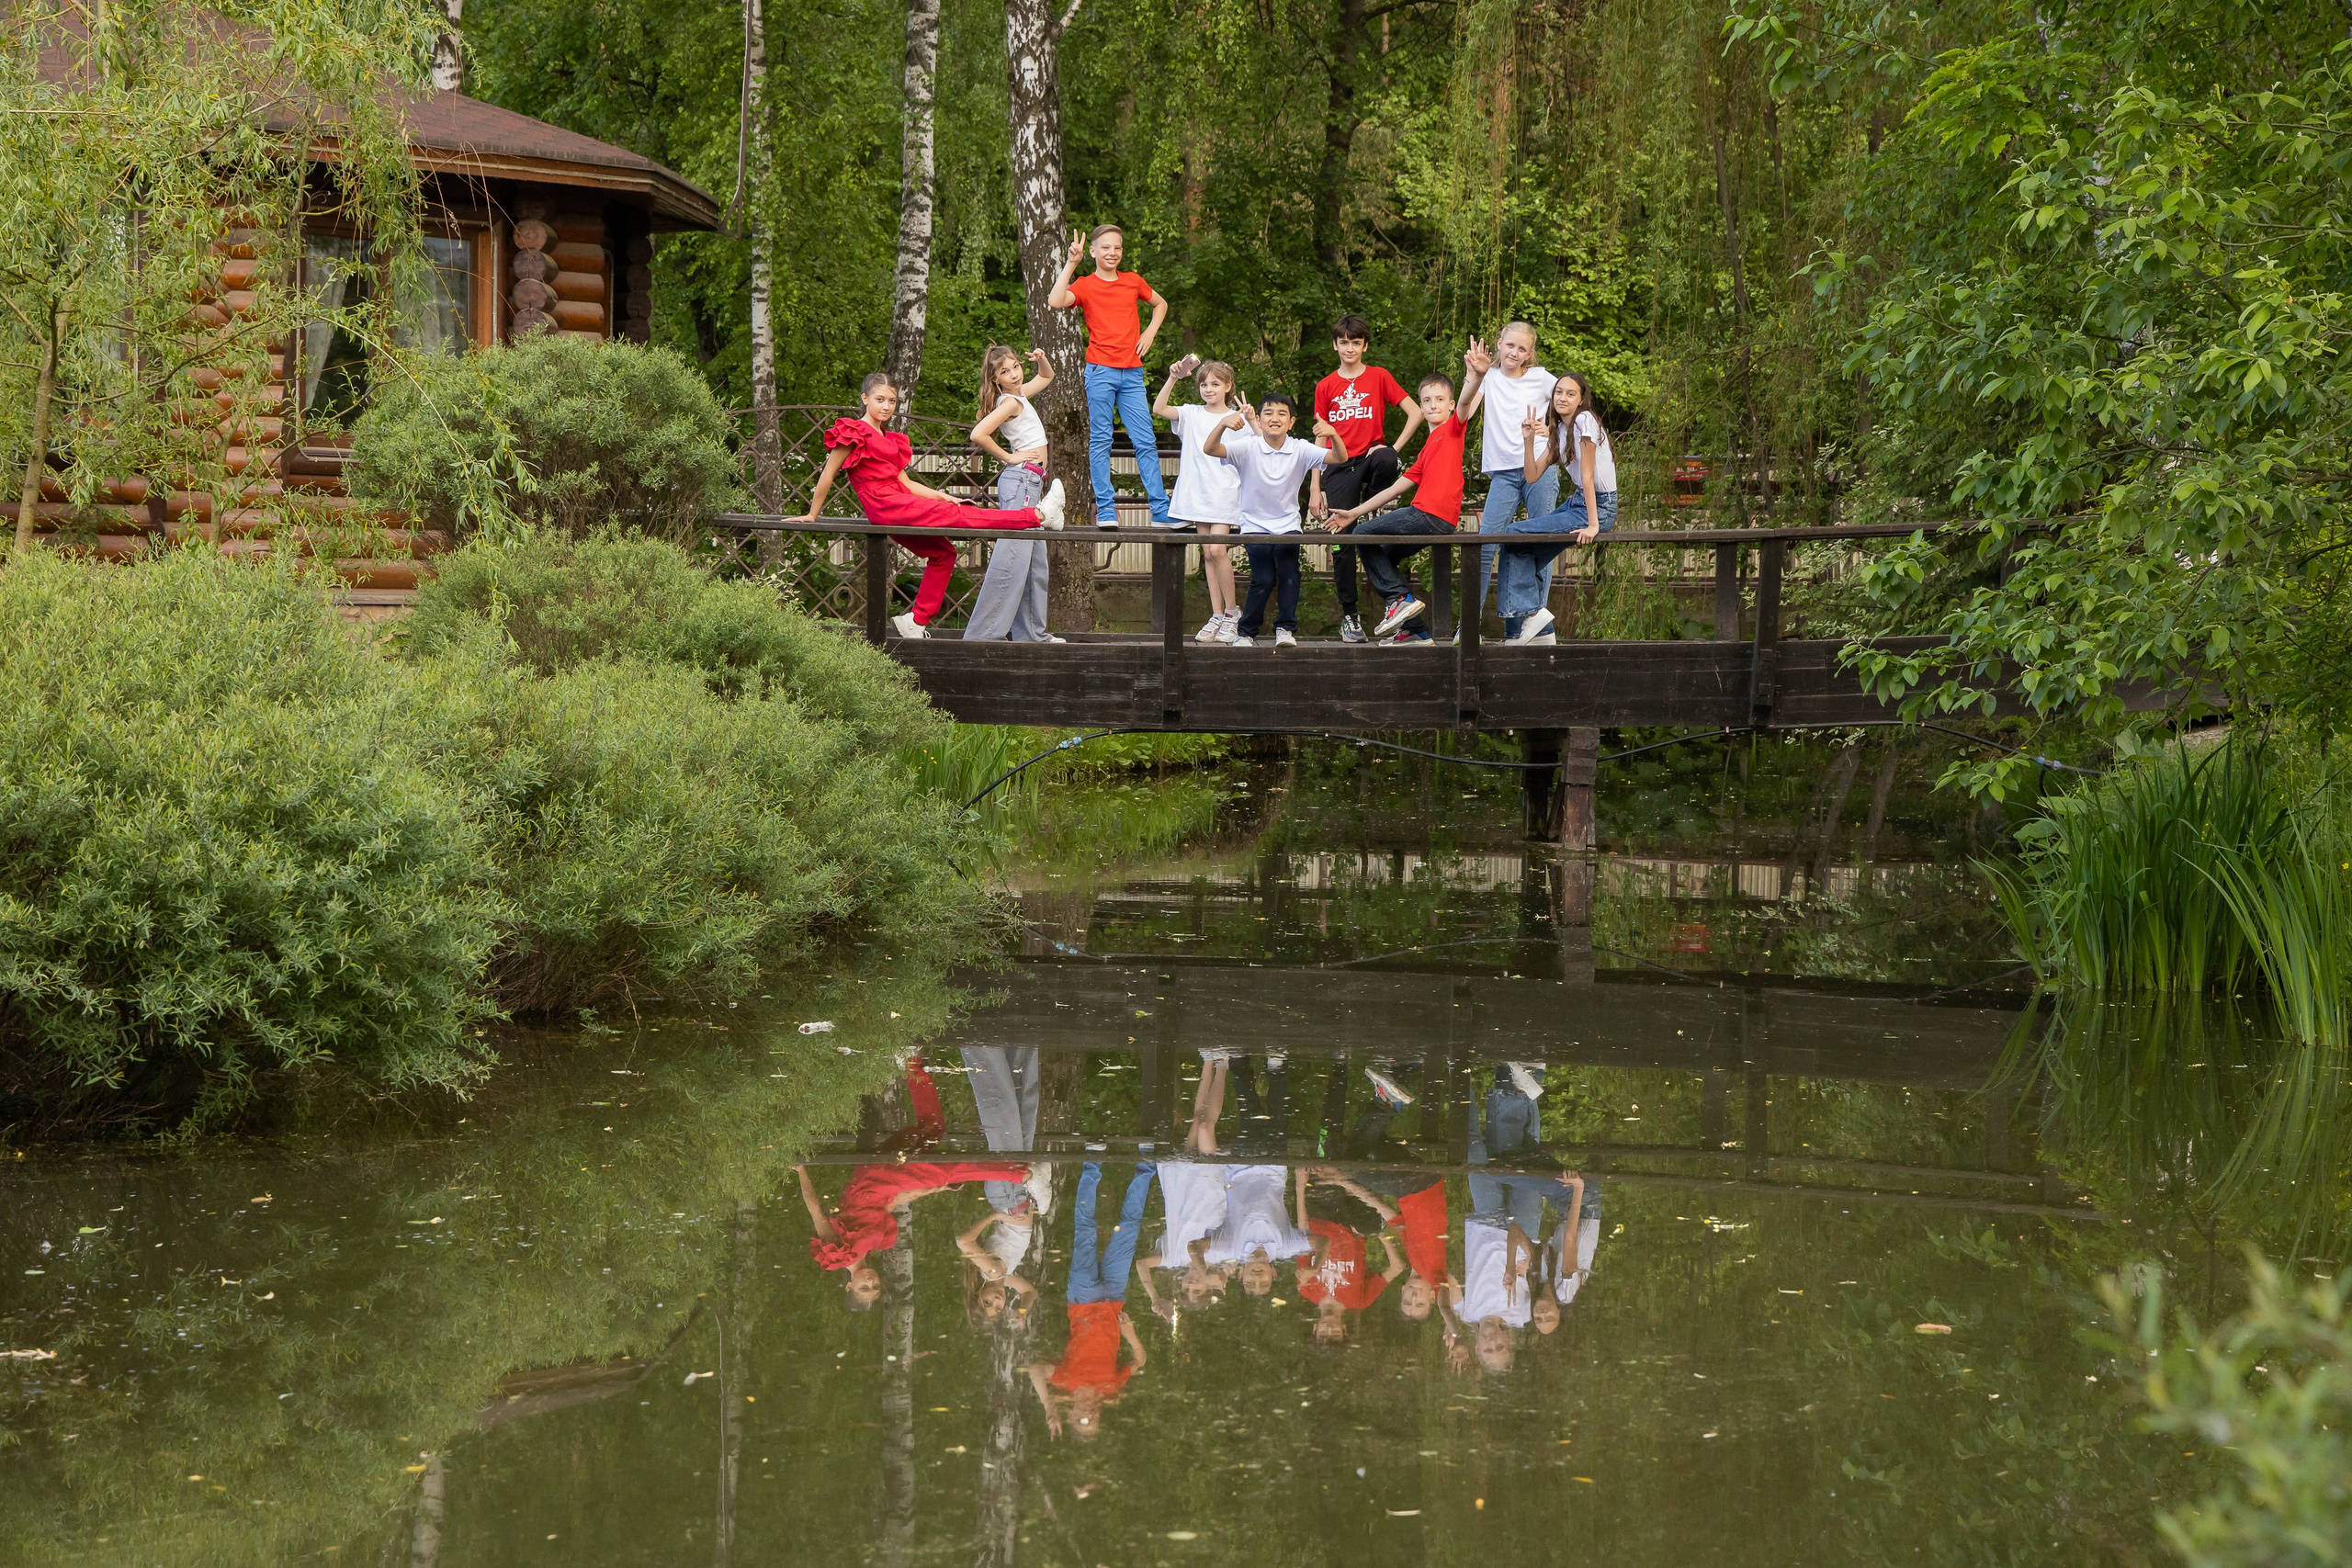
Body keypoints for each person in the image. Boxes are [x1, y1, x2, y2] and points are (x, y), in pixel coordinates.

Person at [797, 372, 1066, 640]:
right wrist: (812, 514)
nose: (886, 406)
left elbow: (905, 481)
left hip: (898, 503)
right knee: (963, 517)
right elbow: (828, 473)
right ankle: (1038, 515)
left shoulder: (889, 439)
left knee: (944, 553)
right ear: (865, 398)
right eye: (879, 399)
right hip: (884, 505)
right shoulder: (854, 432)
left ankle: (916, 620)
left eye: (892, 401)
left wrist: (941, 496)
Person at [792, 1061, 1029, 1309]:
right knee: (933, 1131)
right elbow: (894, 1202)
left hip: (870, 1184)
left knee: (946, 1172)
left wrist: (801, 1170)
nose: (872, 1281)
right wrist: (936, 1189)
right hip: (885, 1188)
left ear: (849, 1285)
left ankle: (1015, 1172)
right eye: (876, 1286)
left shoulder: (836, 1254)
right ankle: (913, 1063)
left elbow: (815, 1210)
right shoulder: (876, 1244)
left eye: (865, 1287)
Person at [1326, 371, 1470, 645]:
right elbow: (1393, 489)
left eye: (1440, 399)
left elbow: (1467, 402)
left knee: (1362, 536)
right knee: (1384, 557)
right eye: (1427, 400)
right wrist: (1353, 513)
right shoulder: (1428, 448)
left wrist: (1476, 374)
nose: (1434, 405)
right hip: (1429, 517)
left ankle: (1400, 599)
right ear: (1421, 405)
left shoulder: (1453, 430)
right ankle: (1415, 630)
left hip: (1430, 515)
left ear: (1451, 405)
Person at [1048, 224, 1171, 528]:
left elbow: (1161, 304)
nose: (1112, 253)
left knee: (1145, 440)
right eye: (1105, 248)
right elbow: (1054, 300)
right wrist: (1070, 265)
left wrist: (1150, 331)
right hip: (1100, 371)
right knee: (1101, 440)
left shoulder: (1132, 282)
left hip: (1132, 373)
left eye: (1117, 247)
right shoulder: (1086, 285)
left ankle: (1160, 510)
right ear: (1093, 251)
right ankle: (1106, 510)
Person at [1307, 315, 1422, 644]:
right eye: (1344, 342)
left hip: (1373, 459)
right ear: (1335, 345)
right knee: (1342, 540)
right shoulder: (1326, 386)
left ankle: (1371, 504)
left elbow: (1415, 412)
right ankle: (1350, 616)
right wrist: (1315, 486)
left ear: (1364, 346)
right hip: (1339, 464)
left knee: (1385, 457)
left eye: (1356, 343)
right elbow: (1319, 438)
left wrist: (1395, 448)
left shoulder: (1379, 376)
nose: (1349, 348)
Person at [1204, 392, 1344, 650]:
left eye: (1281, 414)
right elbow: (1210, 449)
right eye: (1268, 413)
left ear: (1291, 422)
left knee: (1290, 574)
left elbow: (1339, 458)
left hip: (1288, 524)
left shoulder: (1300, 447)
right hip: (1254, 525)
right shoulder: (1248, 446)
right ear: (1258, 419)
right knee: (1263, 578)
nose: (1275, 418)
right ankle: (1246, 633)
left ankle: (1286, 629)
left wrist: (1333, 434)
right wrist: (1223, 423)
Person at [1028, 1161, 1154, 1441]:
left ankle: (1092, 1165)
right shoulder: (1111, 1387)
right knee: (1129, 1230)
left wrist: (1049, 1405)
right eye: (1093, 1419)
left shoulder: (1065, 1381)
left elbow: (1035, 1368)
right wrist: (1131, 1336)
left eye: (1081, 1419)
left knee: (1086, 1230)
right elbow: (1140, 1360)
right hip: (1114, 1297)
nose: (1088, 1413)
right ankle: (1146, 1166)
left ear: (1070, 1413)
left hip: (1082, 1298)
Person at [1497, 371, 1618, 644]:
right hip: (1578, 502)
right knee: (1522, 551)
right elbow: (1532, 475)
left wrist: (1594, 524)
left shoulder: (1585, 420)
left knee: (1513, 535)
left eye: (1570, 393)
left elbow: (1587, 476)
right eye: (1559, 392)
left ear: (1581, 400)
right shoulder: (1560, 430)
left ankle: (1531, 615)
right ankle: (1535, 633)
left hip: (1598, 506)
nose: (1562, 397)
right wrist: (1528, 440)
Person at [1458, 324, 1558, 635]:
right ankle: (1469, 625)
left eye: (1522, 349)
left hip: (1539, 467)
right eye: (1510, 345)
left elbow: (1574, 406)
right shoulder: (1487, 377)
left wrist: (1552, 431)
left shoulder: (1541, 378)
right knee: (1486, 545)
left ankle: (1532, 626)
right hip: (1503, 473)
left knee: (1539, 545)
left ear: (1530, 353)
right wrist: (1474, 376)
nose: (1515, 353)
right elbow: (1462, 413)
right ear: (1499, 344)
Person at [965, 345, 1065, 643]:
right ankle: (981, 639)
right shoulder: (1009, 402)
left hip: (1031, 484)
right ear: (996, 380)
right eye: (1005, 372)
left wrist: (1042, 359)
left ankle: (1033, 635)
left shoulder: (1019, 394)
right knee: (1011, 560)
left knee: (1035, 565)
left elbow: (1047, 377)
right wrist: (1009, 457)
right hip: (1021, 482)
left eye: (1016, 367)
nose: (1013, 374)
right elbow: (978, 434)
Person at [1154, 355, 1250, 644]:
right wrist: (1173, 377)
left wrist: (1251, 418)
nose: (1209, 389)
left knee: (1218, 551)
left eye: (1215, 384)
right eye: (1204, 384)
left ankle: (1233, 613)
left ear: (1228, 386)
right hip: (1197, 492)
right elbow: (1159, 408)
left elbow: (1255, 450)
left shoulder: (1238, 417)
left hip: (1223, 491)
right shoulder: (1192, 413)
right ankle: (1217, 614)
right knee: (1207, 554)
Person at [1135, 1048, 1236, 1319]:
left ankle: (1207, 1061)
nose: (1191, 1285)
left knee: (1196, 1121)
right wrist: (1214, 1274)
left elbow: (1141, 1265)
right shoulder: (1217, 1261)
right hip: (1207, 1183)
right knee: (1205, 1126)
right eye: (1198, 1290)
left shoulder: (1172, 1258)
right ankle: (1223, 1063)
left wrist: (1156, 1298)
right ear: (1207, 1287)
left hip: (1179, 1181)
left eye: (1186, 1290)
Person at [1295, 1167, 1405, 1343]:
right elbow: (1397, 1268)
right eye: (1335, 1334)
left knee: (1326, 1168)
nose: (1329, 1329)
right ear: (1344, 1329)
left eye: (1323, 1334)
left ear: (1315, 1329)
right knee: (1355, 1173)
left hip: (1319, 1214)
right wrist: (1380, 1234)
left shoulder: (1306, 1289)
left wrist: (1299, 1188)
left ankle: (1328, 1144)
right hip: (1353, 1220)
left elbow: (1303, 1236)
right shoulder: (1360, 1300)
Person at [1203, 1162, 1315, 1296]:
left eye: (1249, 1283)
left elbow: (1194, 1247)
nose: (1257, 1278)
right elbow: (1319, 1241)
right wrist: (1315, 1268)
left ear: (1241, 1273)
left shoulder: (1230, 1248)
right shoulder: (1284, 1248)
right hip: (1274, 1165)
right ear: (1273, 1273)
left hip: (1237, 1166)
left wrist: (1204, 1274)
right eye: (1264, 1283)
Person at [1532, 1173, 1596, 1337]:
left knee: (1530, 1178)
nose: (1543, 1314)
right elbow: (1570, 1237)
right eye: (1550, 1318)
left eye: (1538, 1319)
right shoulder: (1565, 1291)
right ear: (1559, 1312)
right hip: (1585, 1205)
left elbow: (1554, 1238)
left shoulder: (1542, 1279)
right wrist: (1578, 1187)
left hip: (1565, 1209)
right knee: (1521, 1177)